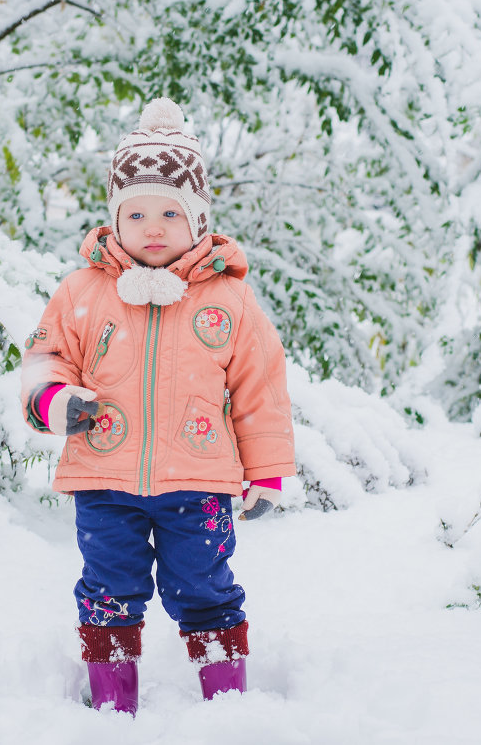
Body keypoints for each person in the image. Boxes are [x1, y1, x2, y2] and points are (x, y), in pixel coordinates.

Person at [20, 97, 295, 715]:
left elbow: (260, 387)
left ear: (198, 220)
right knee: (108, 590)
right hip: (104, 479)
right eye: (136, 212)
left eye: (171, 212)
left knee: (206, 589)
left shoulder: (229, 298)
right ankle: (114, 706)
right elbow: (45, 359)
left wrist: (267, 469)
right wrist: (54, 399)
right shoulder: (82, 291)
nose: (153, 226)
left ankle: (227, 709)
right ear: (115, 217)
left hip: (199, 482)